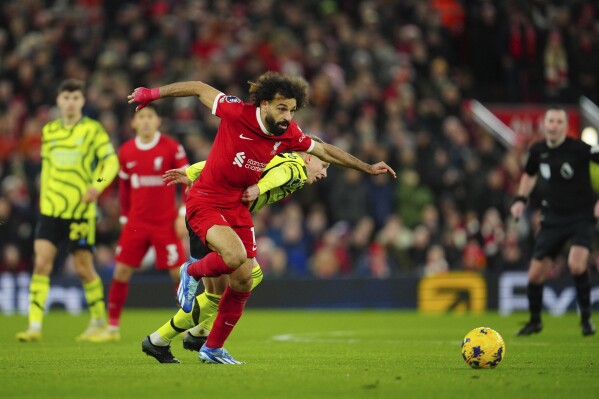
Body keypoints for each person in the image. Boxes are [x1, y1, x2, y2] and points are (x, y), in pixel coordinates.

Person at [128, 71, 395, 364]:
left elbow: (325, 150)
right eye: (282, 109)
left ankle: (209, 346)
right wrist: (152, 94)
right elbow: (197, 86)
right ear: (264, 104)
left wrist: (367, 167)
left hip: (236, 210)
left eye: (292, 110)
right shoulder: (237, 112)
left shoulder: (289, 134)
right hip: (206, 201)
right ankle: (190, 276)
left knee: (245, 280)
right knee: (233, 259)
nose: (287, 117)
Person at [142, 144, 329, 363]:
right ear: (308, 158)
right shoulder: (296, 168)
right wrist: (261, 188)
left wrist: (192, 171)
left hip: (218, 210)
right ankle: (168, 337)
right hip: (216, 211)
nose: (324, 173)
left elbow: (231, 163)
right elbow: (282, 174)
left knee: (233, 285)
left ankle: (186, 336)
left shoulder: (272, 155)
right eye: (323, 165)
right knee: (225, 290)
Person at [16, 79, 120, 342]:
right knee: (41, 263)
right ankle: (35, 327)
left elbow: (110, 162)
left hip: (80, 211)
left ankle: (99, 322)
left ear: (82, 101)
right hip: (51, 210)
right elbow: (48, 168)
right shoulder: (49, 131)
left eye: (75, 97)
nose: (70, 102)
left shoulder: (93, 130)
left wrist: (96, 187)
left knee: (84, 269)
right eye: (66, 97)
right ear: (59, 101)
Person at [90, 104, 189, 342]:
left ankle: (187, 325)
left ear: (158, 121)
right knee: (121, 271)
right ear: (133, 123)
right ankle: (112, 328)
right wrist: (124, 217)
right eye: (140, 117)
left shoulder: (172, 148)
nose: (145, 121)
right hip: (136, 222)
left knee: (179, 274)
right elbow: (123, 187)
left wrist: (183, 213)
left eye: (150, 116)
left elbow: (188, 180)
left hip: (165, 222)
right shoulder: (126, 151)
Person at [511, 107, 597, 337]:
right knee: (534, 275)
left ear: (565, 126)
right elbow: (529, 175)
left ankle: (587, 319)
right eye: (551, 120)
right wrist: (521, 199)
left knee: (576, 265)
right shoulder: (538, 150)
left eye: (559, 121)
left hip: (581, 216)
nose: (554, 125)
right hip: (554, 218)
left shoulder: (579, 148)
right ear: (544, 124)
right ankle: (535, 322)